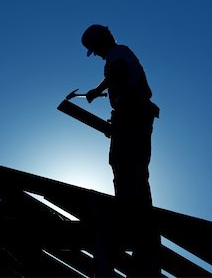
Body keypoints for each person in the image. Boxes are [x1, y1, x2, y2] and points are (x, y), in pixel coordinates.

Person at [81, 24, 161, 277]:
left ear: (102, 42)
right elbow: (121, 78)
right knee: (126, 166)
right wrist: (105, 93)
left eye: (96, 49)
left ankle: (135, 220)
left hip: (133, 116)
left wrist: (100, 89)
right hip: (132, 117)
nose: (99, 55)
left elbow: (117, 72)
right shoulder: (120, 55)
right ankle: (134, 215)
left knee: (128, 166)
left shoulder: (117, 54)